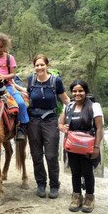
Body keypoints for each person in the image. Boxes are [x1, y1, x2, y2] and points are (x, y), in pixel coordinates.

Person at [14, 54, 70, 199]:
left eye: (42, 65)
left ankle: (54, 185)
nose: (39, 67)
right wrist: (13, 86)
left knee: (51, 155)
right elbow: (28, 93)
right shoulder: (32, 79)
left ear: (47, 66)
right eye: (37, 65)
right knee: (36, 155)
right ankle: (41, 184)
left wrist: (70, 117)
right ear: (34, 67)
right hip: (33, 121)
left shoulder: (55, 81)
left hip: (51, 121)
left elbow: (65, 100)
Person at [58, 79, 103, 213]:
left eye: (80, 91)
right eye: (74, 91)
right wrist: (63, 127)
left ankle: (89, 198)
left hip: (87, 146)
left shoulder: (94, 106)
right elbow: (60, 124)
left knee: (88, 172)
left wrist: (96, 147)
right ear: (71, 93)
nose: (77, 93)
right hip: (72, 146)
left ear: (86, 92)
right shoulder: (69, 106)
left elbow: (99, 129)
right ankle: (76, 197)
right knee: (75, 172)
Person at [0, 32, 29, 140]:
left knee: (21, 103)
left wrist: (4, 76)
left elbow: (13, 74)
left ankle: (21, 128)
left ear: (5, 47)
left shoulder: (9, 58)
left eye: (1, 46)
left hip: (6, 86)